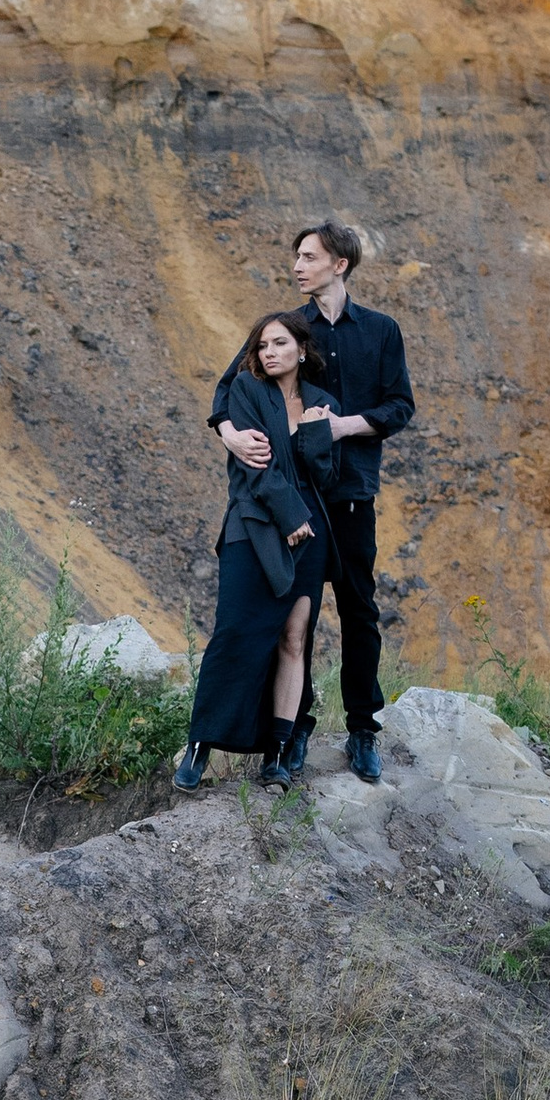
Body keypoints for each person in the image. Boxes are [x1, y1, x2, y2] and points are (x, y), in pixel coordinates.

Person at [213, 219, 412, 784]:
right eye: (296, 256)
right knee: (289, 619)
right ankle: (293, 728)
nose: (297, 266)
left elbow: (400, 407)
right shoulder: (285, 331)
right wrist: (229, 433)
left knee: (358, 613)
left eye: (308, 256)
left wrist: (344, 425)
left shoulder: (380, 330)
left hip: (348, 498)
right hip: (289, 504)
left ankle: (361, 730)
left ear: (339, 264)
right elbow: (227, 392)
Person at [174, 312, 334, 796]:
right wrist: (289, 517)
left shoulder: (322, 403)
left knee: (293, 639)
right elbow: (254, 468)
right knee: (234, 632)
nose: (269, 352)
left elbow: (324, 475)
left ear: (301, 350)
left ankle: (278, 754)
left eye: (280, 343)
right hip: (255, 525)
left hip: (311, 534)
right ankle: (199, 747)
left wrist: (314, 433)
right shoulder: (246, 390)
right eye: (262, 344)